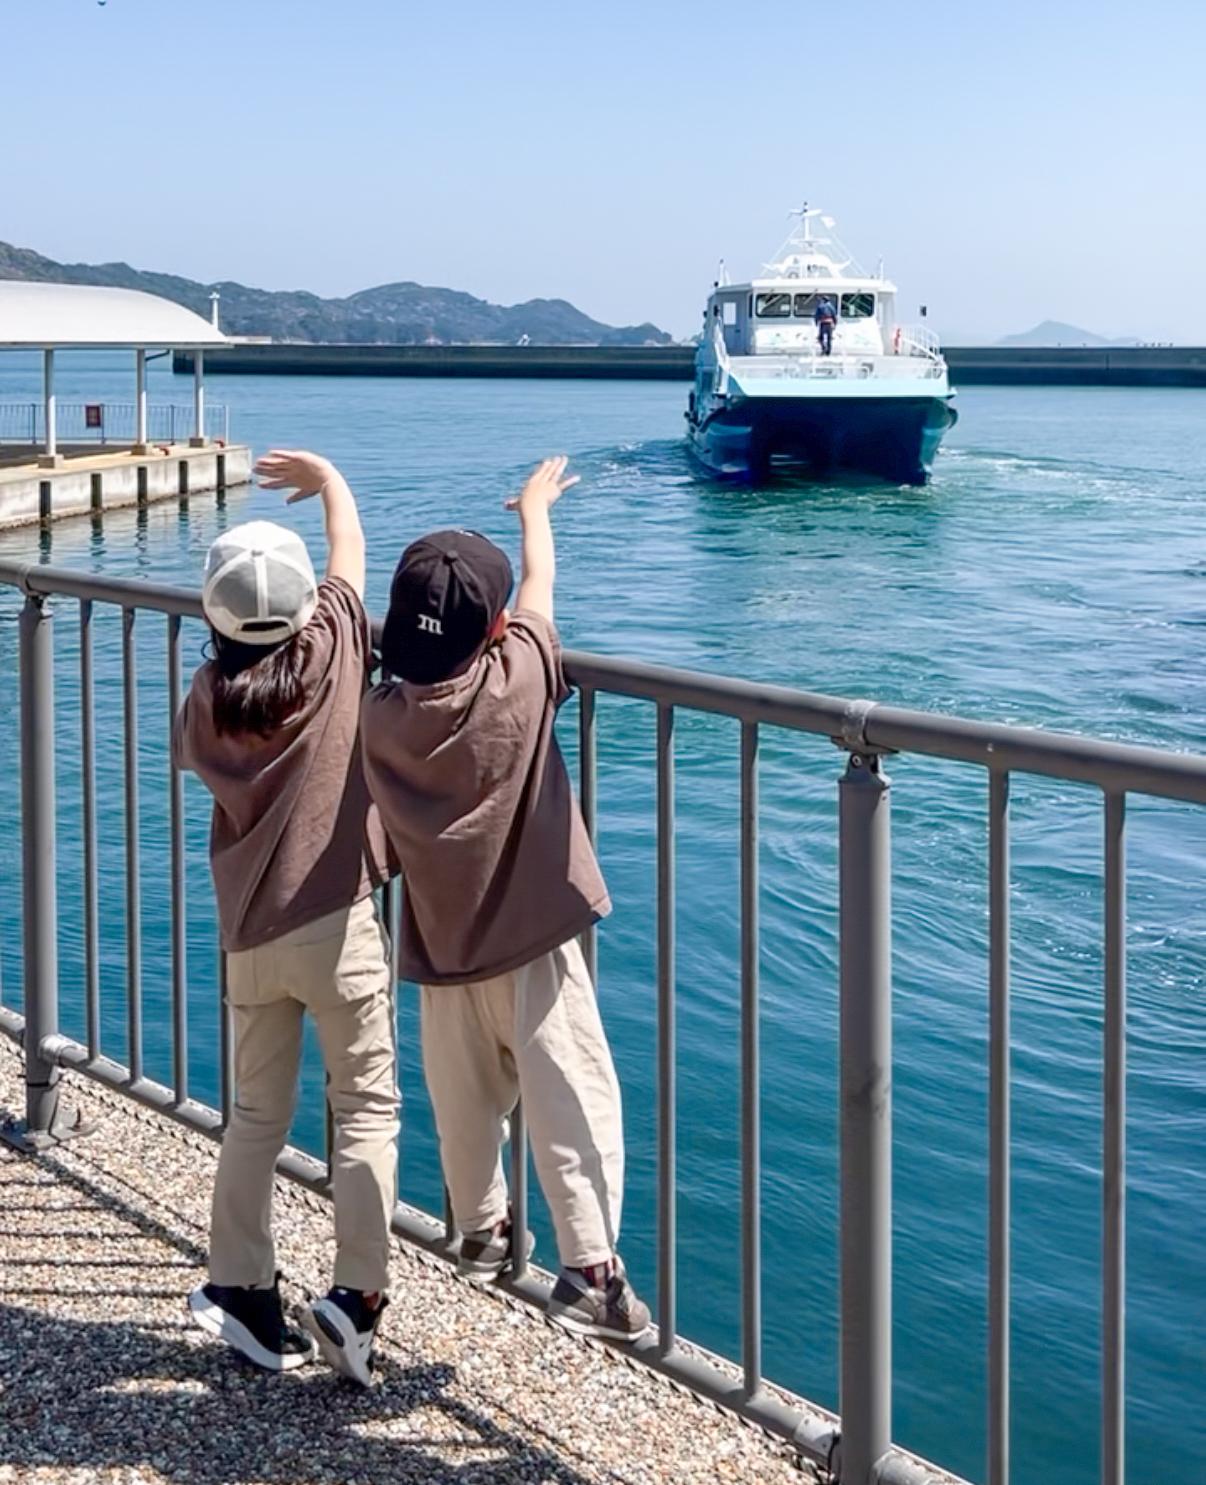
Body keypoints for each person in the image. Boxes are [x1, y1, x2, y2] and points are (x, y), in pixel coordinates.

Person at [360, 456, 651, 1343]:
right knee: (572, 1093)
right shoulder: (518, 681)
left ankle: (482, 1227)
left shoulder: (380, 716)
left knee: (460, 1090)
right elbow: (540, 587)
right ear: (490, 631)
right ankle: (591, 1269)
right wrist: (534, 510)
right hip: (533, 937)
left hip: (438, 941)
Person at [174, 450, 398, 1386]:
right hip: (340, 920)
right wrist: (331, 477)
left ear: (213, 618)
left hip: (251, 937)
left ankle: (241, 1288)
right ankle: (355, 1297)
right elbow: (350, 546)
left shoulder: (203, 705)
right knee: (367, 1109)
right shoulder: (339, 644)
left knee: (257, 1116)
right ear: (308, 608)